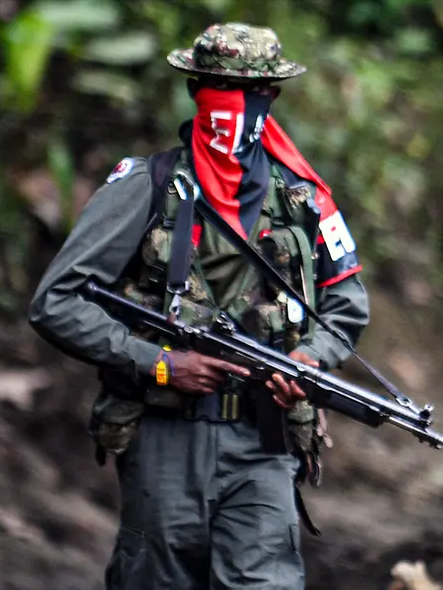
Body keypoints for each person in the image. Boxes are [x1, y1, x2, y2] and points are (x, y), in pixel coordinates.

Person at [28, 23, 369, 589]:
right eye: (213, 88)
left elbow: (347, 304)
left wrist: (308, 361)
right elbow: (56, 303)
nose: (229, 107)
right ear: (193, 90)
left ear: (272, 98)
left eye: (245, 93)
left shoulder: (303, 197)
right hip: (165, 436)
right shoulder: (146, 185)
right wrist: (159, 363)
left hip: (264, 440)